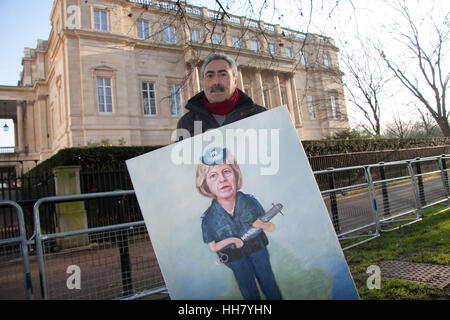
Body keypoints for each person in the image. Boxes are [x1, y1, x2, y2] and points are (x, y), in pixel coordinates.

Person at [196, 147, 282, 300]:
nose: (222, 179)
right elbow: (213, 246)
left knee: (269, 284)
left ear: (235, 174)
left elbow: (271, 227)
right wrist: (232, 241)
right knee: (248, 292)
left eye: (226, 172)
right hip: (235, 259)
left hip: (258, 251)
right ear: (205, 184)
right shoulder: (209, 218)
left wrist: (262, 225)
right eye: (213, 176)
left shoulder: (249, 202)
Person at [176, 52, 266, 139]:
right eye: (210, 76)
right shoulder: (186, 123)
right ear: (203, 82)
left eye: (223, 74)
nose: (216, 82)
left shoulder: (262, 116)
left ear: (235, 81)